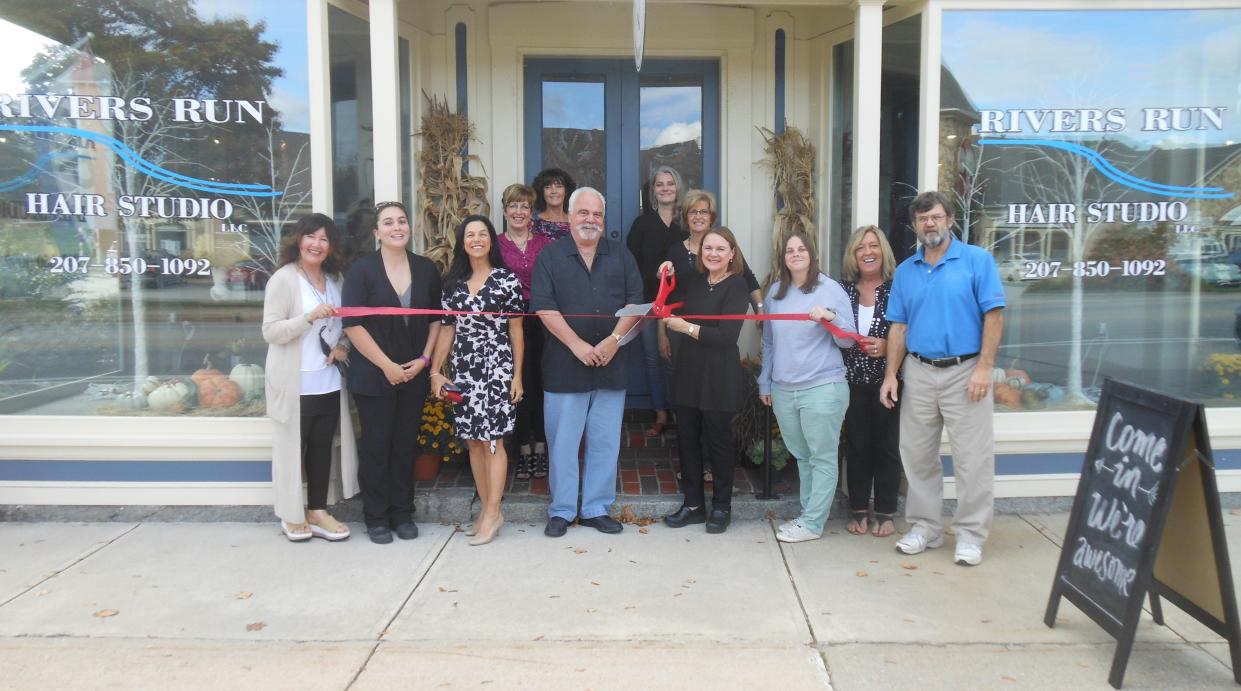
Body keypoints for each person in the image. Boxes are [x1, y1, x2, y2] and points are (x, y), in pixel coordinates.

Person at [880, 190, 1005, 566]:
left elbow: (994, 317)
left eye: (935, 217)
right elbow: (898, 327)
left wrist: (984, 367)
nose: (928, 224)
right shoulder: (906, 271)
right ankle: (925, 528)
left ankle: (970, 535)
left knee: (972, 458)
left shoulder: (976, 261)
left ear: (950, 220)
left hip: (966, 370)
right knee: (917, 455)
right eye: (922, 219)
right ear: (915, 226)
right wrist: (891, 375)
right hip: (918, 370)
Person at [530, 186, 643, 538]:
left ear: (603, 219)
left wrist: (613, 341)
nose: (590, 220)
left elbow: (636, 303)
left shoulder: (622, 256)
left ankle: (595, 507)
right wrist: (577, 345)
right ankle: (562, 509)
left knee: (605, 440)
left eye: (596, 214)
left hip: (612, 363)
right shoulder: (550, 257)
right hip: (565, 366)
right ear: (569, 216)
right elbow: (543, 306)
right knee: (563, 441)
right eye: (583, 213)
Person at [342, 201, 443, 544]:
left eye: (402, 220)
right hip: (374, 376)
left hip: (413, 374)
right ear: (377, 232)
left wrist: (424, 361)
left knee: (404, 446)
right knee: (377, 446)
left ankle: (402, 512)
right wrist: (386, 365)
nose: (397, 227)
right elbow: (352, 325)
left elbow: (436, 321)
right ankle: (376, 516)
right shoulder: (361, 271)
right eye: (388, 222)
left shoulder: (426, 269)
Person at [430, 215, 524, 547]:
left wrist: (518, 376)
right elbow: (446, 328)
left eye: (483, 233)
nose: (477, 239)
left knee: (493, 440)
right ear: (462, 242)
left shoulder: (506, 280)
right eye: (470, 234)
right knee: (472, 440)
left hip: (497, 368)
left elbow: (516, 330)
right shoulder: (452, 283)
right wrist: (436, 371)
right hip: (464, 371)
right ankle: (486, 511)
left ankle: (494, 512)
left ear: (491, 241)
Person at [261, 213, 357, 542]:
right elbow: (271, 331)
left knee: (321, 449)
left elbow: (343, 327)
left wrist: (342, 347)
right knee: (292, 450)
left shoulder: (335, 280)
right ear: (298, 241)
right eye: (310, 237)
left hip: (327, 381)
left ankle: (317, 510)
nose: (316, 245)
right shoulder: (284, 279)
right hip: (294, 382)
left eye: (324, 239)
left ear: (331, 247)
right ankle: (291, 515)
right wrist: (307, 318)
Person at [759, 231, 856, 543]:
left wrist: (829, 317)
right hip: (784, 388)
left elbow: (847, 339)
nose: (796, 254)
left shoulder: (830, 289)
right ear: (783, 257)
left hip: (822, 386)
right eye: (790, 250)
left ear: (813, 255)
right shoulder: (776, 292)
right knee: (801, 455)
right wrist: (766, 381)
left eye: (802, 249)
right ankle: (807, 515)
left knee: (822, 456)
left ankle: (813, 523)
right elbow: (769, 342)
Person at [659, 227, 751, 534]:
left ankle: (721, 507)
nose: (713, 254)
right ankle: (694, 505)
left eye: (720, 249)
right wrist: (666, 269)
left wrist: (685, 328)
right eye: (708, 248)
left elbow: (727, 337)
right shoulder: (696, 281)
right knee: (686, 441)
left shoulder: (737, 286)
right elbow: (669, 285)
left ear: (732, 254)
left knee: (718, 444)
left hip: (719, 375)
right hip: (689, 370)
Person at [841, 225, 902, 538]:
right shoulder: (844, 291)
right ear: (854, 255)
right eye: (860, 247)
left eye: (873, 246)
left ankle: (887, 511)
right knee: (857, 447)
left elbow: (908, 329)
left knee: (887, 447)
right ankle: (859, 509)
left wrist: (886, 348)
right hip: (851, 382)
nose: (867, 252)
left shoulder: (896, 288)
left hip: (886, 381)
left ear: (883, 252)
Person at [496, 183, 552, 480]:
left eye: (525, 207)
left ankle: (541, 448)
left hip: (540, 323)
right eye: (513, 206)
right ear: (505, 211)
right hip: (506, 325)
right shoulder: (494, 245)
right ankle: (522, 449)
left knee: (541, 384)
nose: (519, 212)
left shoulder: (544, 244)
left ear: (532, 213)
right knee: (518, 386)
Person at [626, 166, 685, 438]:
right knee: (653, 358)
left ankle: (680, 412)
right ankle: (660, 412)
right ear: (653, 191)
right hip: (650, 304)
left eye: (669, 183)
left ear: (677, 188)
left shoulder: (686, 224)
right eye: (659, 184)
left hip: (682, 305)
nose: (664, 188)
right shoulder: (642, 224)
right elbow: (631, 265)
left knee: (677, 360)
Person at [530, 167, 576, 241]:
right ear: (542, 192)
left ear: (566, 191)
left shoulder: (575, 223)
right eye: (548, 187)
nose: (554, 191)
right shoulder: (532, 224)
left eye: (559, 187)